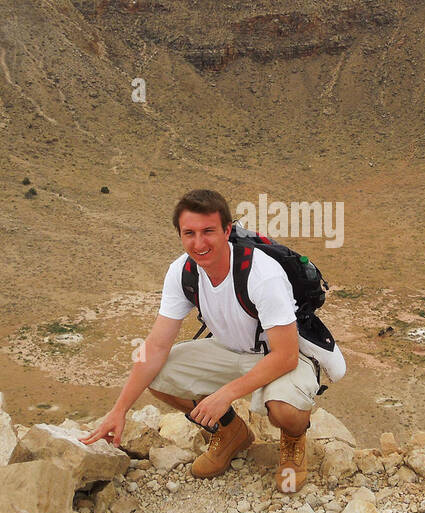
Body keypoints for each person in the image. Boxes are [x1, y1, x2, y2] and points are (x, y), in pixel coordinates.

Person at [82, 189, 328, 493]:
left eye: (208, 231)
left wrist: (224, 394)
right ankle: (230, 432)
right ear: (180, 235)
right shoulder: (182, 272)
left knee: (283, 408)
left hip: (277, 355)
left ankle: (292, 439)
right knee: (156, 373)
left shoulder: (262, 274)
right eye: (190, 233)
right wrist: (118, 410)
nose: (199, 244)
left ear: (226, 230)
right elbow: (155, 346)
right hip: (229, 349)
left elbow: (286, 356)